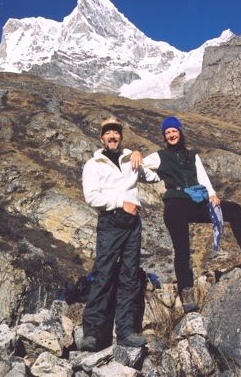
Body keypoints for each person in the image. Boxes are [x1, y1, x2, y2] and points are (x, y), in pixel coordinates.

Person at [135, 116, 241, 313]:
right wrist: (134, 154)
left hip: (196, 201)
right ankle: (187, 294)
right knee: (183, 250)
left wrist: (212, 195)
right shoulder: (160, 156)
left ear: (180, 132)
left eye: (173, 131)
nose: (171, 134)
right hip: (175, 204)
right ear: (164, 136)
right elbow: (140, 167)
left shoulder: (192, 155)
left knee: (234, 210)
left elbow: (202, 176)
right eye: (167, 132)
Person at [80, 117, 159, 351]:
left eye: (116, 132)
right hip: (110, 221)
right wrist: (120, 202)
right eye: (108, 133)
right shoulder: (93, 164)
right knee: (103, 274)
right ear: (101, 138)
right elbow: (91, 196)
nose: (112, 136)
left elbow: (155, 175)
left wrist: (140, 154)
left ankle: (125, 331)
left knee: (129, 276)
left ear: (121, 136)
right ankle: (92, 334)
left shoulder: (130, 159)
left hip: (133, 224)